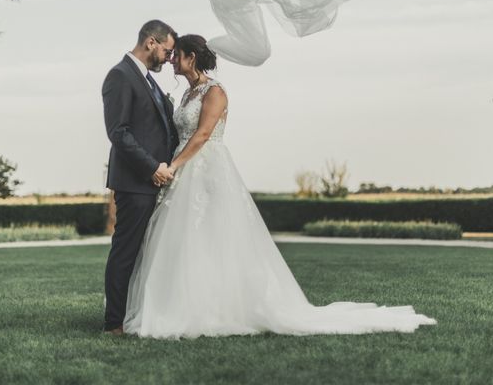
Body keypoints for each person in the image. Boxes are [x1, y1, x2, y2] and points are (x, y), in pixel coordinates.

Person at [123, 34, 437, 338]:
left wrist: (174, 166)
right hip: (183, 170)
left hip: (206, 169)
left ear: (191, 57)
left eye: (177, 54)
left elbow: (203, 135)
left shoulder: (215, 92)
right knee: (182, 238)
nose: (172, 59)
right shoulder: (186, 94)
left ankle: (220, 309)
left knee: (212, 235)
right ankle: (183, 306)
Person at [101, 19, 179, 335]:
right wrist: (152, 168)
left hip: (154, 181)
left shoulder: (147, 80)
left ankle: (137, 314)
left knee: (148, 253)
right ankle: (113, 323)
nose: (170, 58)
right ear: (150, 42)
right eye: (167, 50)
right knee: (126, 251)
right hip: (136, 183)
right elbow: (118, 132)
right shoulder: (120, 76)